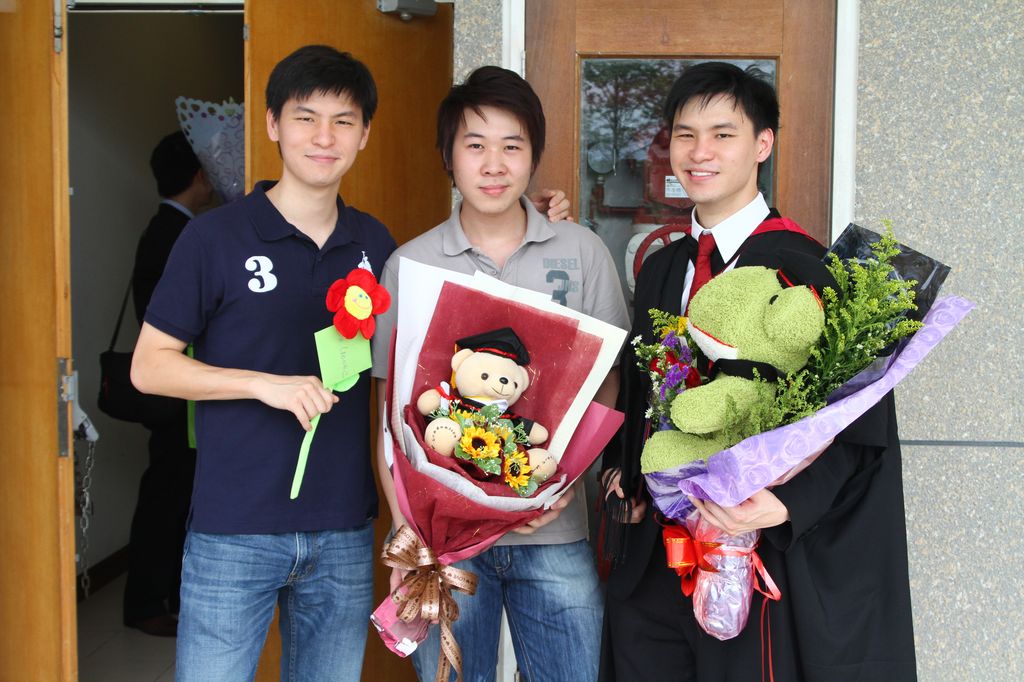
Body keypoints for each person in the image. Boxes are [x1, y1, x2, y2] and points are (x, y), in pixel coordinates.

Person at [132, 47, 569, 681]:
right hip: (233, 528)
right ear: (272, 124)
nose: (323, 137)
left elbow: (428, 372)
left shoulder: (376, 245)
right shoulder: (214, 237)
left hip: (342, 530)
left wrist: (542, 223)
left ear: (364, 134)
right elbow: (150, 367)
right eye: (305, 118)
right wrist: (262, 385)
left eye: (343, 121)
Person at [598, 61, 917, 681]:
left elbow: (857, 420)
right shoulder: (661, 268)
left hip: (751, 554)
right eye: (685, 135)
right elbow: (642, 389)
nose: (700, 152)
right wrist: (625, 477)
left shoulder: (807, 268)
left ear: (762, 144)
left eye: (723, 134)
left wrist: (784, 504)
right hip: (655, 560)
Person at [371, 66, 630, 682]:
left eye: (512, 146)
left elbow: (607, 381)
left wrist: (560, 482)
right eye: (475, 145)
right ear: (448, 156)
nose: (494, 164)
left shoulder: (582, 252)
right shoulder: (410, 265)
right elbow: (386, 412)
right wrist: (407, 530)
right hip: (445, 542)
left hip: (554, 532)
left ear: (534, 156)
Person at [122, 131, 211, 637]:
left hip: (177, 393)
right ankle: (145, 603)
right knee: (166, 496)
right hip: (174, 392)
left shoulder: (165, 228)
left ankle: (164, 597)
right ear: (199, 175)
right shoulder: (180, 234)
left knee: (171, 493)